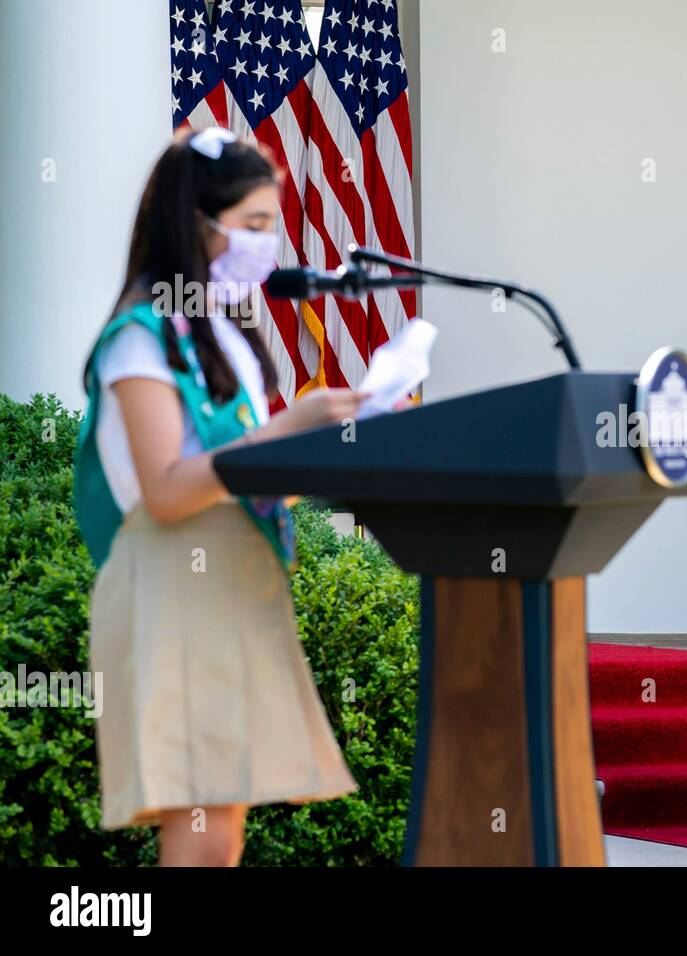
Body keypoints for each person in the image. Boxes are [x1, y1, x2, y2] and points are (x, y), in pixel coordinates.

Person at [73, 126, 369, 866]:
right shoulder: (140, 338)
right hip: (175, 586)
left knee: (222, 827)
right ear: (193, 223)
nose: (270, 246)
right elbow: (170, 492)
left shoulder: (225, 338)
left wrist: (325, 444)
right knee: (200, 830)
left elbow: (244, 478)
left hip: (234, 584)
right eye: (254, 226)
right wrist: (285, 432)